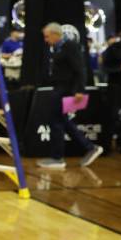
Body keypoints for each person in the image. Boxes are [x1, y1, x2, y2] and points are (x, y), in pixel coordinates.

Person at [37, 22, 102, 170]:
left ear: (55, 34)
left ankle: (58, 158)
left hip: (65, 89)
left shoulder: (70, 46)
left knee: (57, 121)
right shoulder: (57, 47)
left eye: (47, 37)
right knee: (61, 121)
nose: (46, 40)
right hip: (58, 87)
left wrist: (80, 90)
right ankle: (89, 147)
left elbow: (80, 69)